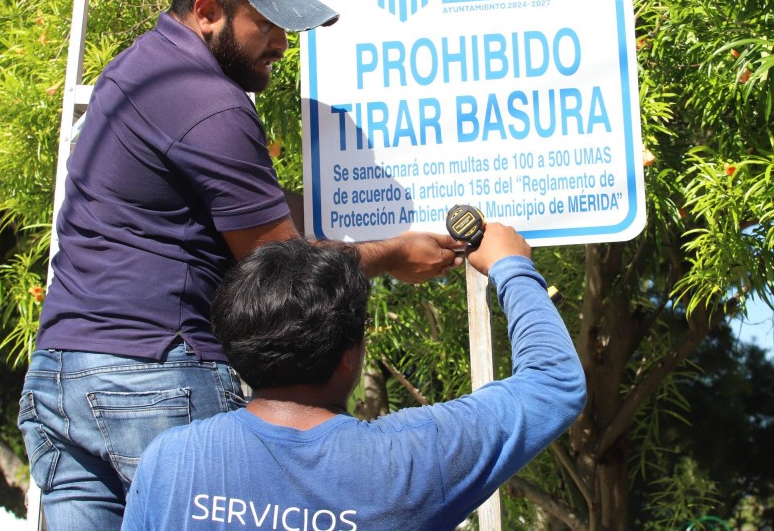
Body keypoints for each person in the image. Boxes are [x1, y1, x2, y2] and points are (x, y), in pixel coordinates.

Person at [18, 0, 463, 530]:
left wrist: (340, 202)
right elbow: (284, 275)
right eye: (269, 24)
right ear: (207, 11)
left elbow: (221, 213)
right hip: (155, 377)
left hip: (60, 376)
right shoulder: (213, 103)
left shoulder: (136, 69)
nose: (282, 43)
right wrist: (393, 254)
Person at [121, 224, 587, 531]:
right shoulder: (408, 461)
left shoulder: (171, 462)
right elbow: (554, 382)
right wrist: (512, 265)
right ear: (350, 354)